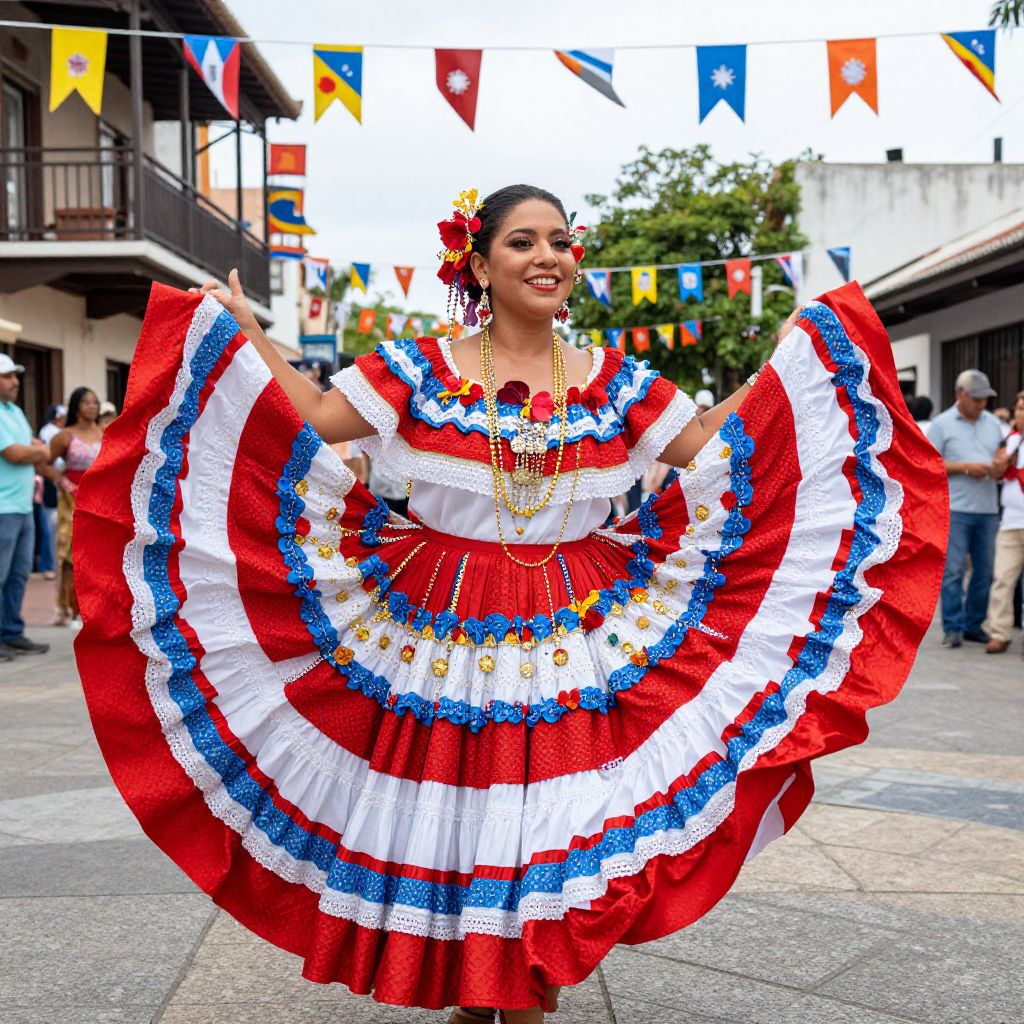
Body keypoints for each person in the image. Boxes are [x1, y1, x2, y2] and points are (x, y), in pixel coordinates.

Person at [72, 185, 947, 1022]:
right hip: (437, 617)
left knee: (551, 812)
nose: (548, 256)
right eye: (523, 241)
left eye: (561, 241)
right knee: (462, 806)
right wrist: (247, 333)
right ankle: (482, 984)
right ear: (479, 264)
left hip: (582, 617)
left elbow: (707, 444)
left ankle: (520, 984)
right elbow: (312, 415)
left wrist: (798, 363)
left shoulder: (612, 379)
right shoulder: (418, 367)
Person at [927, 369, 1005, 648]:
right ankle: (953, 627)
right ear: (961, 394)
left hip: (987, 508)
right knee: (954, 570)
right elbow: (929, 464)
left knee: (984, 571)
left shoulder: (993, 423)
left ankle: (974, 625)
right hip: (956, 508)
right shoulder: (941, 424)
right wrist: (965, 468)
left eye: (985, 399)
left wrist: (999, 466)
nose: (982, 404)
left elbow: (1000, 453)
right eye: (977, 398)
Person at [0, 353, 50, 659]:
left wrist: (36, 451)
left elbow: (32, 446)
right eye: (7, 376)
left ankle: (12, 632)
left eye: (15, 376)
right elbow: (16, 453)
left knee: (18, 574)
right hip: (3, 508)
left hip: (22, 506)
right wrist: (38, 452)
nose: (15, 382)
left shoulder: (15, 412)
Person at [48, 387, 103, 626]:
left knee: (99, 556)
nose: (92, 406)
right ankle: (73, 608)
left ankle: (98, 608)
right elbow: (44, 464)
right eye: (86, 402)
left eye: (95, 402)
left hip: (101, 501)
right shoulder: (65, 436)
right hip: (73, 500)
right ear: (76, 406)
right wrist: (64, 482)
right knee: (72, 556)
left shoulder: (106, 432)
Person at [984, 391, 1024, 654]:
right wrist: (1002, 460)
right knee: (1002, 578)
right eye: (1019, 408)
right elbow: (997, 471)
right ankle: (1000, 632)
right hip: (1011, 521)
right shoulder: (1008, 440)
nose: (1020, 412)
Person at [37, 403, 66, 579]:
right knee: (49, 525)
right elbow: (47, 457)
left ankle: (58, 565)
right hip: (51, 481)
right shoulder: (48, 431)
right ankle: (49, 565)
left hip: (65, 481)